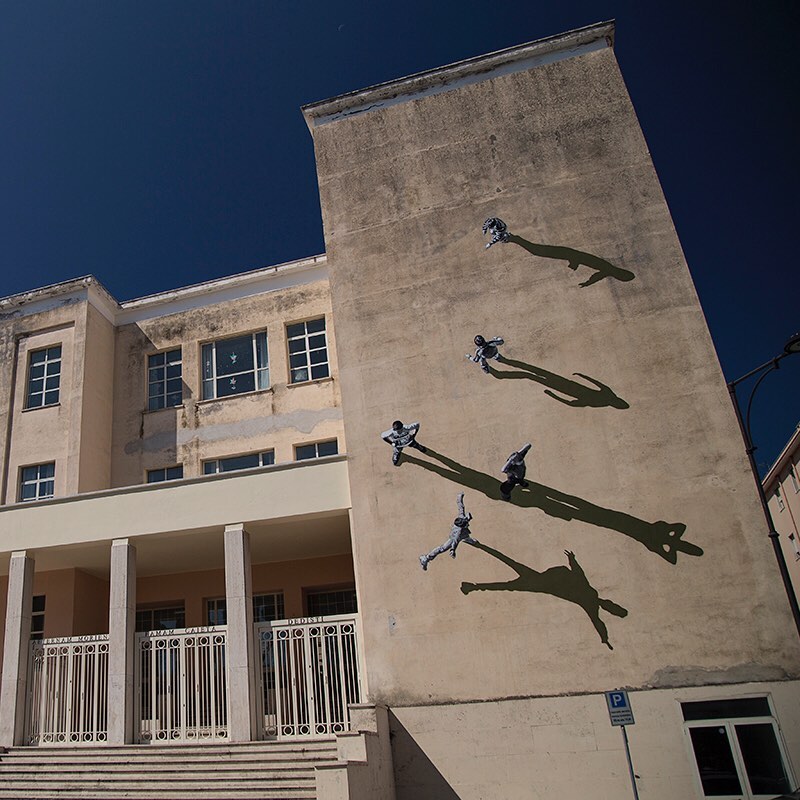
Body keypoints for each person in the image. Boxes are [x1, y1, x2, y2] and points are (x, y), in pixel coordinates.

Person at [420, 493, 479, 570]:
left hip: (462, 534)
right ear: (463, 526)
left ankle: (467, 539)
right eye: (467, 522)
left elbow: (461, 507)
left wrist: (459, 498)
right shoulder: (459, 532)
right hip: (454, 537)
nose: (468, 522)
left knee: (465, 536)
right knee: (442, 548)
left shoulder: (461, 517)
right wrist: (453, 550)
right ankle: (426, 558)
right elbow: (455, 541)